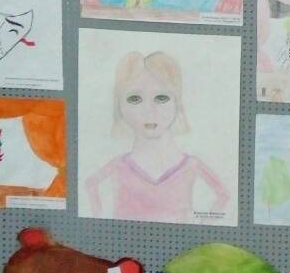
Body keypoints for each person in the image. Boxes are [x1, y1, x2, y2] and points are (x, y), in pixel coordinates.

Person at [85, 51, 229, 223]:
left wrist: (203, 227)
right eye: (135, 99)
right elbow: (90, 184)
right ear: (119, 106)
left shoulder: (191, 165)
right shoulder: (118, 166)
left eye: (161, 98)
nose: (149, 110)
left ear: (177, 104)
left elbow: (223, 195)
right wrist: (98, 222)